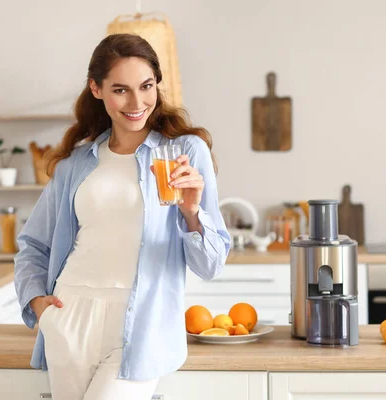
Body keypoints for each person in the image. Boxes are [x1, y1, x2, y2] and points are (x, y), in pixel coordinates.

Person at [14, 33, 231, 400]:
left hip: (142, 324)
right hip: (69, 315)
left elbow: (211, 265)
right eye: (120, 90)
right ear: (96, 89)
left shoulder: (183, 152)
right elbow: (33, 243)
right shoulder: (75, 163)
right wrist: (37, 302)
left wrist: (192, 213)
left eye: (146, 86)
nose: (136, 102)